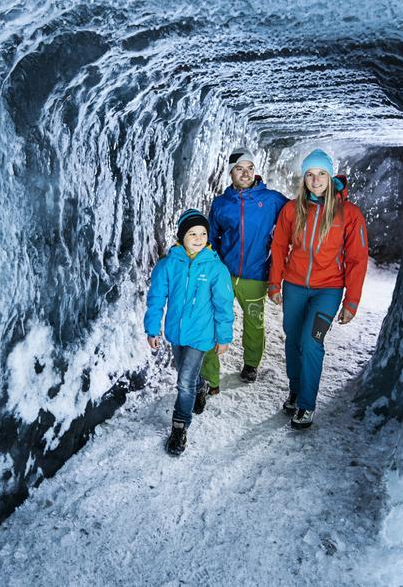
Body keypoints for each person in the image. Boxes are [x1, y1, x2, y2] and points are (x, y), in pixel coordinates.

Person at [267, 149, 368, 430]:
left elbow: (358, 258)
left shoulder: (349, 214)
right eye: (310, 174)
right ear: (304, 179)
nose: (316, 180)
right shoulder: (292, 209)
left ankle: (306, 405)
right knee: (292, 339)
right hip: (295, 286)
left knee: (312, 341)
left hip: (329, 290)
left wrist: (352, 301)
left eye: (321, 173)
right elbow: (278, 247)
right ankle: (296, 390)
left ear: (330, 175)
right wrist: (275, 282)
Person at [144, 209, 234, 455]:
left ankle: (179, 427)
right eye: (192, 233)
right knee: (187, 376)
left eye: (203, 233)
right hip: (176, 333)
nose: (198, 237)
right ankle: (201, 386)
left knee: (183, 382)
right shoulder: (168, 265)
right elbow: (156, 299)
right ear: (181, 236)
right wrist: (152, 329)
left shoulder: (216, 268)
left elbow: (223, 305)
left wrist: (223, 337)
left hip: (201, 335)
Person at [201, 147, 288, 401]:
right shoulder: (221, 204)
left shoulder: (272, 200)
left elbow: (297, 215)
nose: (246, 173)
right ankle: (210, 377)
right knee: (213, 322)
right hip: (225, 275)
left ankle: (251, 364)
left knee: (254, 322)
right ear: (230, 172)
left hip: (256, 274)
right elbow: (212, 238)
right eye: (239, 168)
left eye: (250, 167)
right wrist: (213, 269)